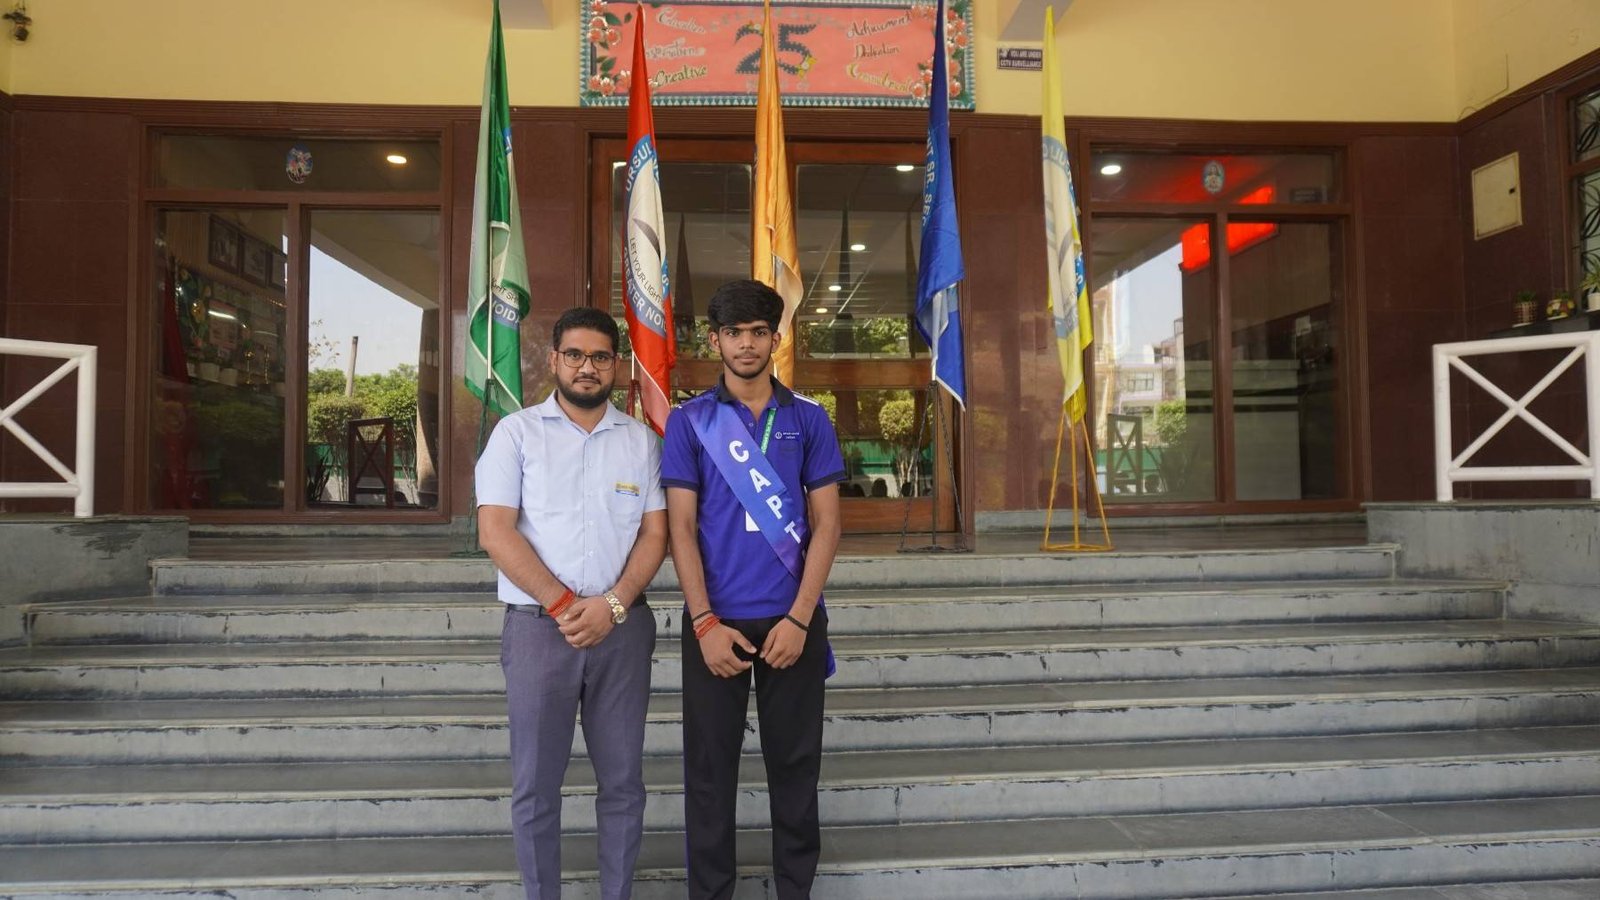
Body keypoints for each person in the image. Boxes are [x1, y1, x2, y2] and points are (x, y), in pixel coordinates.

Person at [662, 279, 846, 900]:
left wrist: (799, 620)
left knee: (795, 770)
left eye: (758, 332)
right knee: (709, 775)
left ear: (776, 337)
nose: (747, 344)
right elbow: (681, 529)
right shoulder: (689, 422)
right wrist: (704, 622)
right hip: (716, 626)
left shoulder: (809, 418)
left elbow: (828, 525)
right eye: (734, 333)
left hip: (793, 622)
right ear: (714, 341)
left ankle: (795, 890)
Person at [475, 306, 668, 900]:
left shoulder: (641, 442)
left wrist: (614, 603)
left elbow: (655, 535)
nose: (588, 367)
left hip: (622, 631)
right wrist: (563, 604)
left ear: (616, 364)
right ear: (554, 359)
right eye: (576, 355)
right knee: (536, 787)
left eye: (601, 356)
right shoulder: (515, 434)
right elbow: (495, 532)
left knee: (624, 784)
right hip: (540, 632)